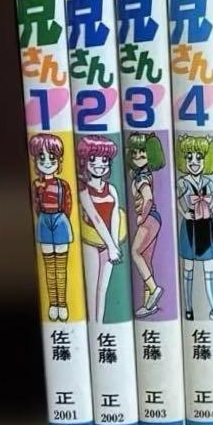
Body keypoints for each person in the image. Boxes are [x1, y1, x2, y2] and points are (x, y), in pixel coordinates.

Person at [77, 136, 127, 324]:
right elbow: (96, 218)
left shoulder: (111, 189)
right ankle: (94, 325)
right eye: (93, 159)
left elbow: (115, 216)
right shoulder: (84, 190)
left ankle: (100, 325)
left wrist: (114, 245)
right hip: (91, 241)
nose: (99, 164)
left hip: (109, 245)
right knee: (92, 290)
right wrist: (111, 246)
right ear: (84, 161)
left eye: (104, 160)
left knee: (102, 289)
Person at [176, 134, 213, 320]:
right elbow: (178, 200)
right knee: (188, 267)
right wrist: (184, 213)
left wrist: (212, 211)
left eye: (199, 158)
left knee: (209, 265)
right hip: (189, 228)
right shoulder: (183, 182)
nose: (194, 162)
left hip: (205, 226)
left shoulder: (207, 182)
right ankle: (188, 308)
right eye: (189, 158)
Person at [30, 133, 74, 322]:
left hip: (60, 221)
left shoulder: (63, 185)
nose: (47, 162)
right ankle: (53, 303)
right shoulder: (36, 185)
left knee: (61, 267)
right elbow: (36, 206)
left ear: (59, 160)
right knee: (49, 267)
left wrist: (60, 218)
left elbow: (68, 205)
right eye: (42, 157)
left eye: (52, 157)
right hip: (44, 223)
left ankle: (62, 303)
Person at [126, 133, 166, 317]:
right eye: (134, 152)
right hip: (155, 220)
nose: (137, 156)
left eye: (142, 151)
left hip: (149, 219)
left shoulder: (142, 178)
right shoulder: (141, 174)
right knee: (146, 260)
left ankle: (153, 288)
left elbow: (148, 198)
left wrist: (142, 217)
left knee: (135, 252)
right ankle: (148, 304)